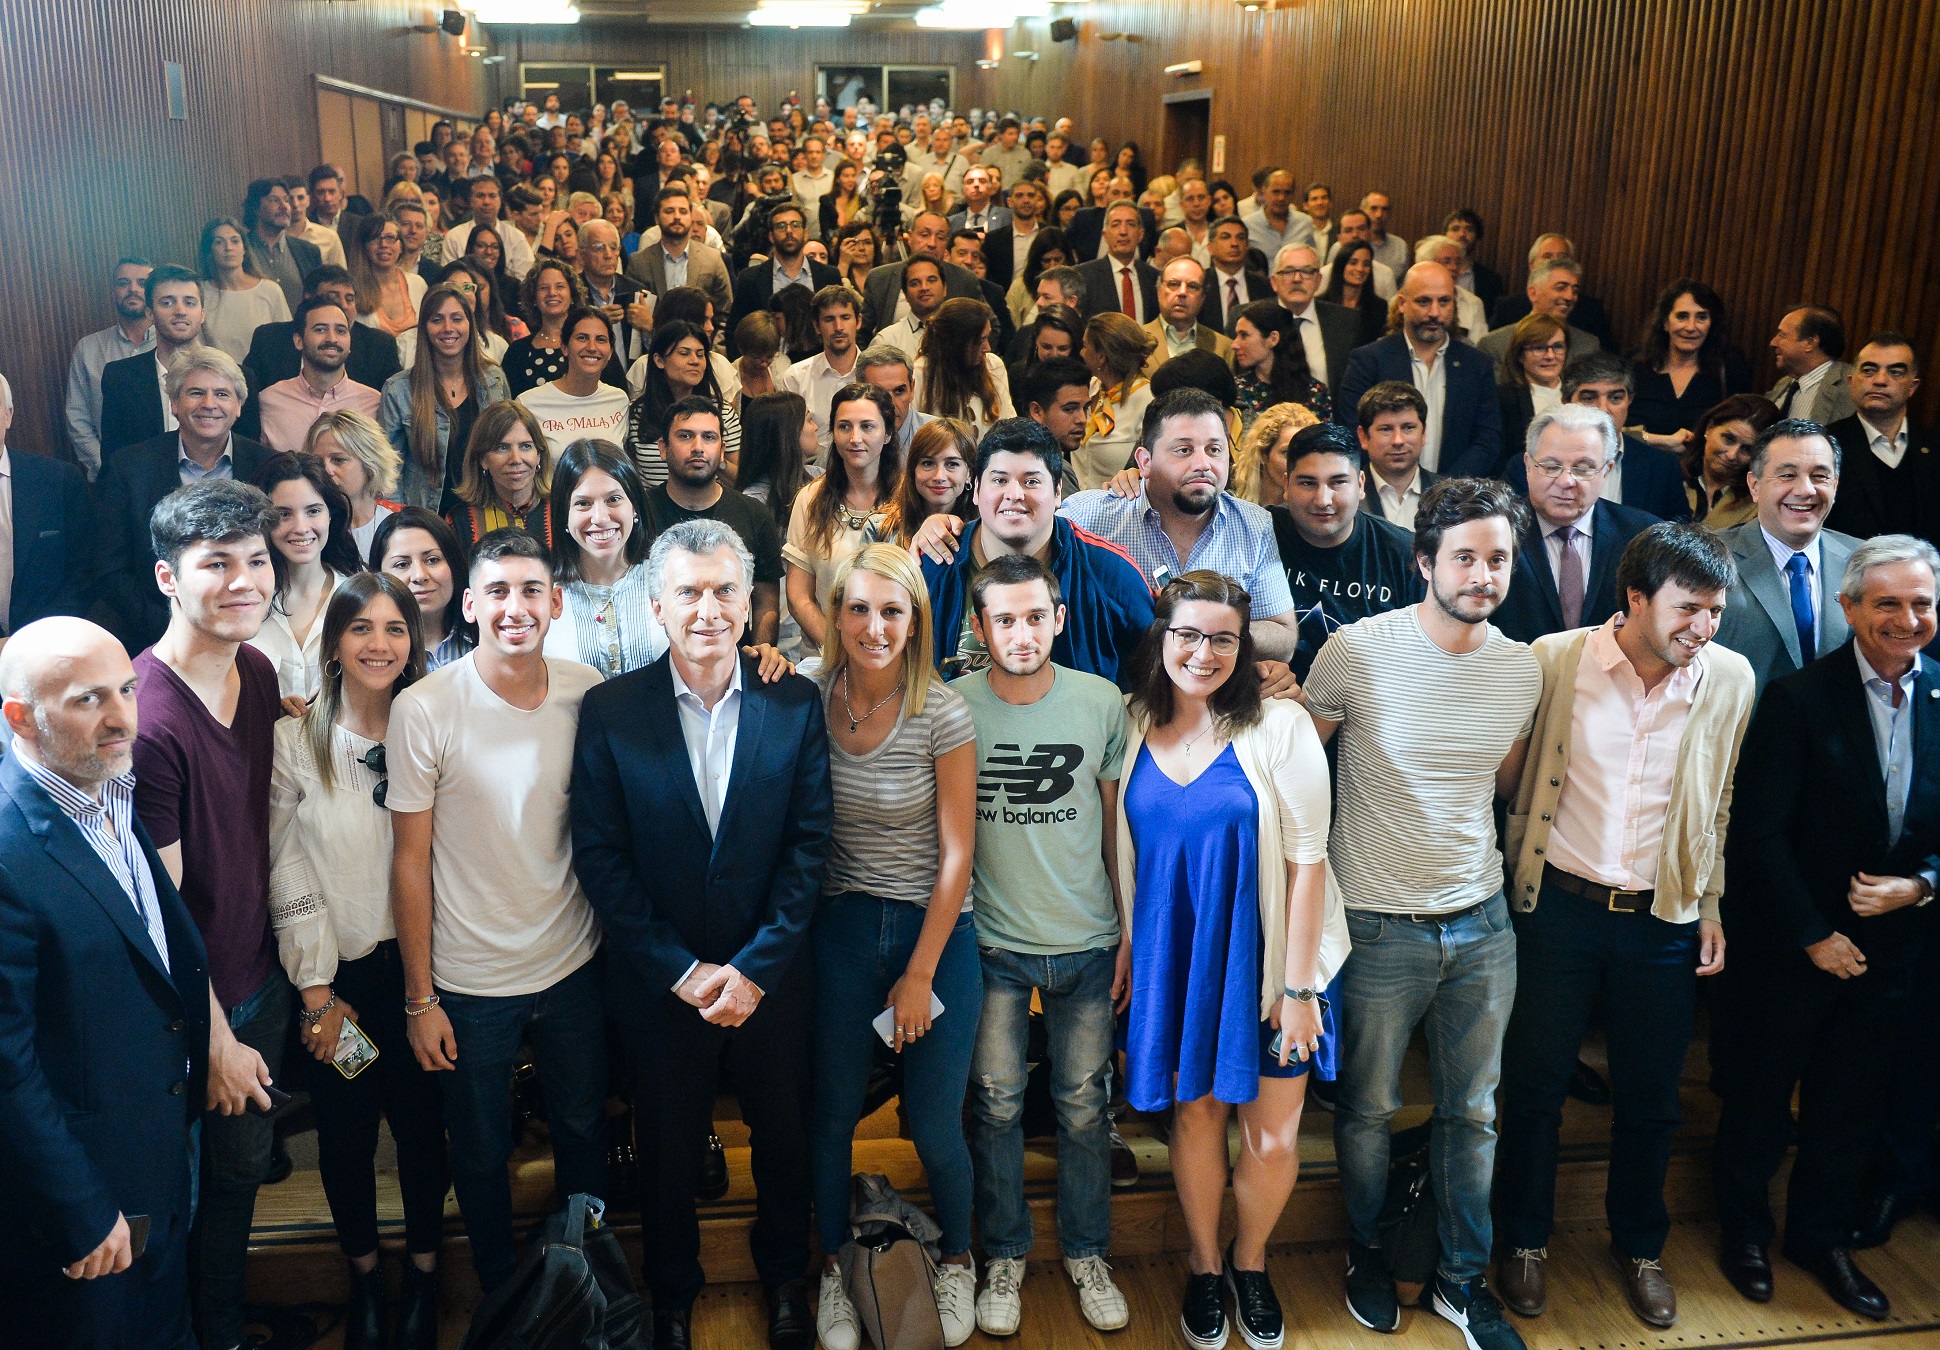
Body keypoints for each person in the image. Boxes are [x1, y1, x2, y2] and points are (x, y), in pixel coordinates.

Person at [570, 518, 833, 1350]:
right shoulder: (611, 710)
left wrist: (755, 969)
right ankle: (671, 1297)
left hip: (772, 979)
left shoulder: (794, 702)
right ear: (658, 606)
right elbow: (601, 857)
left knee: (782, 1140)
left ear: (751, 603)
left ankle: (786, 1281)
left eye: (725, 591)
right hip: (662, 985)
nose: (708, 610)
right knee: (666, 1153)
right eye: (689, 592)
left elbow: (809, 848)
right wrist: (680, 971)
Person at [1303, 476, 1542, 1349]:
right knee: (1367, 1108)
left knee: (1473, 1112)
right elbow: (1300, 775)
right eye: (1465, 558)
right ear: (1424, 562)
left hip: (1481, 922)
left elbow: (1503, 786)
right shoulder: (1356, 651)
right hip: (1374, 923)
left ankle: (1460, 1280)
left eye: (1498, 559)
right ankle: (1367, 1250)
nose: (1483, 575)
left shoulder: (1521, 667)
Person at [1496, 524, 1753, 1330]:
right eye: (1687, 609)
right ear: (1635, 598)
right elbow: (1509, 781)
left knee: (1651, 1098)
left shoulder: (1730, 677)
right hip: (1557, 909)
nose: (1702, 628)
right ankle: (1523, 1239)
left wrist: (1709, 903)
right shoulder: (1554, 659)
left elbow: (1719, 801)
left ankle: (1641, 1246)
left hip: (1661, 918)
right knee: (1535, 1088)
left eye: (1715, 611)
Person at [1117, 569, 1347, 1350]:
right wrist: (1128, 943)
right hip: (1178, 958)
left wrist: (1299, 989)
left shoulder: (1280, 725)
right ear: (1162, 636)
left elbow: (1309, 864)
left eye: (1223, 639)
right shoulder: (1131, 720)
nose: (1204, 652)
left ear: (1244, 646)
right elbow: (1127, 855)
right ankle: (1204, 1263)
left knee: (1272, 1136)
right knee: (1196, 1116)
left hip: (1273, 963)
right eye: (1188, 634)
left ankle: (1251, 1262)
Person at [1713, 535, 1940, 1322]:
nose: (1906, 619)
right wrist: (1814, 935)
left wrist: (1922, 885)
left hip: (1891, 952)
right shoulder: (1797, 699)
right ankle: (1744, 1235)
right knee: (1759, 1102)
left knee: (1849, 1108)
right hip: (1792, 946)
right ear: (1848, 608)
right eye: (1887, 603)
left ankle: (1819, 1238)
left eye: (1921, 603)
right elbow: (1758, 835)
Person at [0, 617, 243, 1350]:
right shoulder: (10, 848)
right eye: (88, 699)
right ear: (21, 717)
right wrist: (79, 1207)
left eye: (128, 690)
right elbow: (8, 1066)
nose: (122, 718)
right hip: (82, 1203)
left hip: (157, 1155)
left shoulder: (106, 784)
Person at [387, 528, 607, 1295]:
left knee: (583, 1131)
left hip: (572, 964)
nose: (517, 607)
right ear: (471, 605)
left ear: (556, 601)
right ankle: (498, 1292)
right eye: (499, 592)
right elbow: (408, 863)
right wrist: (420, 999)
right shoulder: (424, 707)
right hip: (469, 981)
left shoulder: (587, 690)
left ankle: (585, 1284)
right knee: (480, 1152)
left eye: (531, 590)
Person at [798, 544, 982, 1349]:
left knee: (935, 1126)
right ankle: (835, 1269)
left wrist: (919, 973)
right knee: (831, 1115)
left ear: (916, 621)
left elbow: (958, 855)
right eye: (860, 609)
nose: (875, 627)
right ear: (836, 615)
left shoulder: (942, 711)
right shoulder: (808, 695)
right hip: (841, 929)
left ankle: (959, 1258)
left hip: (933, 931)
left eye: (893, 611)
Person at [945, 554, 1133, 1337]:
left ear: (1058, 618)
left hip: (1087, 940)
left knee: (1084, 1105)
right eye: (1004, 620)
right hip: (991, 944)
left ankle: (1088, 1252)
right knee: (995, 1104)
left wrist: (1129, 933)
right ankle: (1005, 1253)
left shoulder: (1100, 702)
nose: (1021, 634)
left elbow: (1117, 826)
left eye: (1034, 617)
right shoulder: (953, 708)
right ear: (980, 628)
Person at [267, 575, 446, 1350]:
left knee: (424, 1133)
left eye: (395, 628)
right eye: (361, 628)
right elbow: (285, 866)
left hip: (424, 977)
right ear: (335, 643)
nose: (379, 643)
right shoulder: (296, 741)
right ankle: (366, 1278)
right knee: (344, 1139)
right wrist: (316, 993)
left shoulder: (435, 722)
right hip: (340, 985)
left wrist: (428, 988)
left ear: (415, 640)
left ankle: (426, 1277)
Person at [130, 481, 289, 1350]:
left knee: (238, 1182)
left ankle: (223, 1331)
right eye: (216, 564)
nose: (243, 582)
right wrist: (217, 1038)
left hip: (257, 977)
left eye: (256, 561)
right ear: (168, 577)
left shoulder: (256, 671)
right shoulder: (148, 720)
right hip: (190, 1014)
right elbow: (158, 917)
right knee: (179, 1198)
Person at [1061, 387, 1301, 659]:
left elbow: (1283, 639)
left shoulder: (1254, 524)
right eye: (1184, 450)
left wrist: (1214, 625)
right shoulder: (1086, 517)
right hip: (1116, 682)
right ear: (1145, 461)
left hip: (1214, 682)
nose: (1203, 464)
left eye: (1214, 450)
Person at [916, 418, 1155, 686]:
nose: (1014, 494)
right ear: (977, 489)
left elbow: (1156, 669)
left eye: (1031, 481)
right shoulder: (934, 565)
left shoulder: (1110, 572)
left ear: (1057, 492)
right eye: (999, 480)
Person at [97, 349, 272, 652]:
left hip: (257, 635)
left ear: (239, 406)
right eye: (196, 393)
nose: (209, 404)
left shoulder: (269, 467)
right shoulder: (129, 467)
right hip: (157, 637)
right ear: (174, 404)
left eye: (222, 394)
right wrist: (175, 625)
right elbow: (111, 566)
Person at [1711, 418, 1860, 694]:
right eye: (1788, 475)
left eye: (1819, 476)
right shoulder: (1706, 557)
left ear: (1835, 485)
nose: (1805, 490)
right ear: (1754, 486)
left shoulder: (1863, 561)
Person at [1492, 405, 1663, 646]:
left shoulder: (1644, 536)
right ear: (1528, 465)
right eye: (1551, 467)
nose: (1566, 481)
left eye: (1583, 469)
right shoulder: (1491, 532)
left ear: (1606, 470)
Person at [1262, 421, 1420, 677]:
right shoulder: (1257, 536)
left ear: (1361, 484)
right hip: (1269, 695)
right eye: (1307, 483)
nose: (1322, 500)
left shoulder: (1404, 554)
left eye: (1338, 482)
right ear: (1286, 485)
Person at [1335, 262, 1504, 479]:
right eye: (1424, 301)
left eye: (1444, 301)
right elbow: (1352, 433)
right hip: (1381, 490)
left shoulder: (1476, 365)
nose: (1435, 312)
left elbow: (1487, 439)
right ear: (1402, 304)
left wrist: (1446, 488)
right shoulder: (1368, 361)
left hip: (1455, 492)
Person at [641, 395, 785, 645]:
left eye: (709, 437)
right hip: (655, 657)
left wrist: (759, 656)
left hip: (733, 656)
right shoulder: (638, 514)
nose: (698, 447)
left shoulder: (754, 514)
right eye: (685, 436)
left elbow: (766, 605)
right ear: (663, 448)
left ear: (722, 450)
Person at [782, 383, 900, 664]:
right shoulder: (810, 498)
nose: (855, 438)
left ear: (887, 434)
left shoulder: (909, 498)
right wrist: (841, 652)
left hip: (895, 657)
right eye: (844, 427)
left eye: (867, 427)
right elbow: (799, 597)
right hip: (828, 657)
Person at [380, 281, 512, 510]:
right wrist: (403, 522)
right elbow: (390, 473)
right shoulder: (398, 389)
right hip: (427, 518)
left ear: (470, 324)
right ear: (424, 328)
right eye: (437, 319)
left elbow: (508, 448)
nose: (448, 328)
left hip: (487, 512)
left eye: (457, 318)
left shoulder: (494, 379)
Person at [247, 452, 362, 704]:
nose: (301, 527)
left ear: (330, 515)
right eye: (284, 514)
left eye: (313, 511)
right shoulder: (243, 599)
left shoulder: (360, 598)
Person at [0, 372, 95, 632]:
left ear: (8, 416)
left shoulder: (58, 481)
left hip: (48, 641)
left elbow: (84, 572)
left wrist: (33, 638)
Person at [1824, 333, 1938, 542]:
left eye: (1895, 372)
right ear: (1851, 382)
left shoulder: (1933, 446)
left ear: (1913, 387)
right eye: (1869, 370)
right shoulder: (1824, 444)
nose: (1880, 381)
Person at [100, 265, 208, 466]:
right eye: (167, 303)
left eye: (189, 302)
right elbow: (113, 460)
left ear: (202, 314)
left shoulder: (236, 376)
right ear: (150, 313)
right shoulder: (120, 377)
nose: (180, 311)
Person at [250, 296, 382, 455]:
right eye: (320, 329)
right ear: (298, 341)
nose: (332, 338)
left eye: (340, 331)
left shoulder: (374, 403)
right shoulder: (268, 401)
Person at [243, 266, 403, 397]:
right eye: (333, 297)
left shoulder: (379, 345)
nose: (344, 305)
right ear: (308, 298)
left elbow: (394, 402)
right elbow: (247, 396)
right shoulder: (269, 339)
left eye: (350, 299)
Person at [1629, 281, 1750, 448]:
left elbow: (1740, 432)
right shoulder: (1635, 366)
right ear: (1665, 322)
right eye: (1682, 316)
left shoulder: (1730, 369)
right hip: (1640, 462)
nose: (1691, 327)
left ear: (1711, 324)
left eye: (1701, 317)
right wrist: (1663, 440)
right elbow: (1613, 429)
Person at [66, 257, 156, 480]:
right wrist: (106, 468)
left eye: (142, 283)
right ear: (113, 292)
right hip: (111, 479)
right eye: (123, 283)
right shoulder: (88, 349)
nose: (133, 289)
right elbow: (77, 417)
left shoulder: (173, 345)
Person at [624, 319, 741, 488]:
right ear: (659, 360)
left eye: (700, 354)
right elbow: (631, 477)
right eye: (684, 353)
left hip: (709, 502)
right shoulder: (637, 413)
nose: (695, 361)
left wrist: (715, 458)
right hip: (653, 502)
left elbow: (739, 480)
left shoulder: (722, 412)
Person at [725, 203, 842, 356]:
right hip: (768, 363)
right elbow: (735, 331)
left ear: (806, 233)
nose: (789, 231)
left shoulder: (829, 275)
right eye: (781, 226)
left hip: (819, 363)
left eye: (795, 225)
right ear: (771, 236)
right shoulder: (750, 278)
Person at [372, 507, 473, 669]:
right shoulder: (371, 651)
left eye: (432, 560)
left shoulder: (488, 638)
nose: (419, 576)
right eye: (402, 564)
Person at [515, 307, 630, 448]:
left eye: (601, 339)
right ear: (564, 347)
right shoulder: (529, 404)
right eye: (582, 338)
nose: (592, 347)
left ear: (611, 351)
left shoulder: (619, 400)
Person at [446, 400, 555, 546]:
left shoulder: (562, 511)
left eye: (526, 446)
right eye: (502, 448)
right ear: (483, 459)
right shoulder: (460, 521)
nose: (516, 459)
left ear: (539, 455)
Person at [624, 184, 735, 324]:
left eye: (683, 211)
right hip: (653, 337)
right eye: (669, 211)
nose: (677, 217)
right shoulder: (639, 262)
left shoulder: (713, 259)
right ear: (657, 218)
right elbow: (632, 314)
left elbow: (725, 314)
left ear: (690, 216)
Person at [1073, 312, 1155, 491]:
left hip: (1121, 504)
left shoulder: (1148, 401)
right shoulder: (1090, 388)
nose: (1081, 353)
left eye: (1085, 347)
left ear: (1101, 356)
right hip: (1076, 502)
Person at [306, 410, 401, 562]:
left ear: (370, 465)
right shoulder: (305, 528)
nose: (326, 470)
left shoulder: (402, 521)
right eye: (317, 462)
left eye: (338, 460)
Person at [780, 286, 865, 454]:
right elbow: (789, 441)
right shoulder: (795, 377)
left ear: (859, 321)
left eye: (845, 317)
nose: (838, 327)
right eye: (829, 319)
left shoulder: (875, 374)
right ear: (816, 326)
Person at [915, 298, 1013, 439]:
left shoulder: (993, 365)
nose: (987, 348)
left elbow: (1008, 427)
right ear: (958, 343)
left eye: (987, 337)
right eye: (980, 341)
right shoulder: (920, 374)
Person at [1231, 300, 1332, 435]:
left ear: (1273, 339)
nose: (1234, 344)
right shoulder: (1235, 391)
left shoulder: (1315, 393)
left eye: (1244, 335)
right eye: (1237, 335)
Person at [199, 219, 293, 363]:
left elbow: (286, 343)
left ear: (244, 249)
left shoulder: (270, 290)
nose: (228, 247)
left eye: (235, 241)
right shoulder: (201, 293)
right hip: (218, 374)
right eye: (219, 242)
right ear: (209, 251)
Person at [1679, 394, 1778, 530]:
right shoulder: (1669, 476)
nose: (1732, 455)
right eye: (1729, 439)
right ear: (1709, 428)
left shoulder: (1759, 502)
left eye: (1747, 449)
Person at [876, 417, 976, 549]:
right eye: (928, 463)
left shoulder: (982, 532)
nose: (939, 476)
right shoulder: (880, 529)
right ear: (912, 470)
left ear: (969, 474)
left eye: (952, 464)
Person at [503, 257, 592, 396]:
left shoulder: (592, 344)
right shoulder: (517, 352)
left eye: (560, 286)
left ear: (572, 294)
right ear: (533, 298)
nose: (552, 293)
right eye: (544, 288)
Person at [348, 213, 428, 357]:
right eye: (375, 239)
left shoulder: (418, 284)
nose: (383, 245)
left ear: (401, 245)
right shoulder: (353, 290)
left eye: (390, 238)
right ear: (364, 247)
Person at [578, 219, 654, 369]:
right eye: (599, 248)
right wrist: (595, 323)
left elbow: (654, 351)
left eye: (613, 247)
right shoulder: (571, 292)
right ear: (581, 255)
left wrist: (649, 326)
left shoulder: (636, 291)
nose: (608, 255)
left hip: (630, 378)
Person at [242, 178, 323, 311]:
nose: (284, 206)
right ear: (256, 208)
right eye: (274, 200)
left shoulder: (308, 251)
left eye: (286, 200)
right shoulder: (241, 249)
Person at [1496, 314, 1568, 462]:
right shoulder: (1502, 398)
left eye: (1558, 346)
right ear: (1520, 355)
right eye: (1539, 348)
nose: (1550, 356)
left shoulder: (1579, 393)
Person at [1766, 305, 1855, 425]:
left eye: (1782, 335)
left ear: (1810, 343)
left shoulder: (1849, 386)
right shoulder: (1784, 384)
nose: (1773, 342)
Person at [1142, 257, 1230, 376]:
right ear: (1159, 291)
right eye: (1174, 284)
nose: (1182, 292)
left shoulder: (1224, 347)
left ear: (1202, 297)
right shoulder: (1135, 340)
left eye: (1192, 286)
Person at [1075, 203, 1160, 323]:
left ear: (1140, 235)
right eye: (1116, 225)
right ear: (1105, 235)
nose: (1123, 231)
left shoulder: (1155, 278)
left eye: (1130, 224)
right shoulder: (1082, 276)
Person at [1204, 217, 1271, 337]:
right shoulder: (1200, 284)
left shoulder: (1266, 286)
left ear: (1247, 246)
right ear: (1210, 248)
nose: (1234, 244)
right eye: (1225, 237)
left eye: (1240, 237)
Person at [1316, 238, 1387, 346]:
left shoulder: (1379, 307)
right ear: (1341, 265)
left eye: (1366, 264)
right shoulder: (1320, 304)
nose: (1360, 269)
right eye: (1353, 263)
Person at [1241, 168, 1317, 266]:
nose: (1281, 198)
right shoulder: (1247, 225)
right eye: (1276, 192)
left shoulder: (1305, 223)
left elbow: (1312, 260)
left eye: (1287, 192)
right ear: (1264, 191)